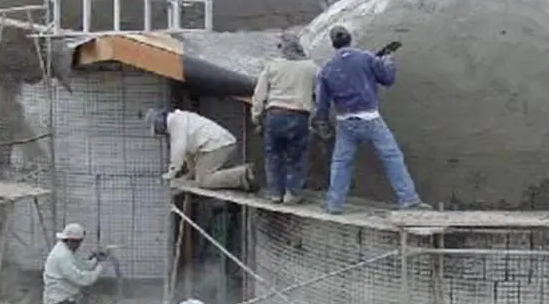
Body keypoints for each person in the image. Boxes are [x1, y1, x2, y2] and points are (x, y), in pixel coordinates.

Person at [312, 25, 429, 214]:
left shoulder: (327, 68)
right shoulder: (365, 57)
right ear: (350, 39)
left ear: (333, 44)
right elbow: (388, 79)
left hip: (345, 123)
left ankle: (334, 204)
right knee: (392, 157)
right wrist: (387, 61)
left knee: (341, 163)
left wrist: (322, 123)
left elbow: (322, 103)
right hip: (370, 119)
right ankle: (409, 200)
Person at [250, 31, 320, 204]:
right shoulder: (312, 68)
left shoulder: (272, 66)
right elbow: (320, 95)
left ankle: (275, 192)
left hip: (275, 115)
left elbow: (259, 95)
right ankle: (292, 194)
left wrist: (256, 117)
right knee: (297, 156)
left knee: (273, 155)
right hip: (299, 116)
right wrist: (316, 116)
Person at [152, 108, 255, 190]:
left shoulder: (175, 124)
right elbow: (187, 153)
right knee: (194, 164)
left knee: (204, 180)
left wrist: (171, 173)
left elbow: (178, 151)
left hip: (219, 146)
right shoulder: (181, 117)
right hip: (220, 144)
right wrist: (191, 173)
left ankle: (242, 174)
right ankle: (194, 174)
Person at [42, 222, 105, 304]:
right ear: (72, 241)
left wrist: (95, 261)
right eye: (78, 242)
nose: (79, 246)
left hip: (66, 299)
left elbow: (81, 265)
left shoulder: (66, 251)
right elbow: (81, 279)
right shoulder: (62, 255)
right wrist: (99, 268)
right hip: (57, 302)